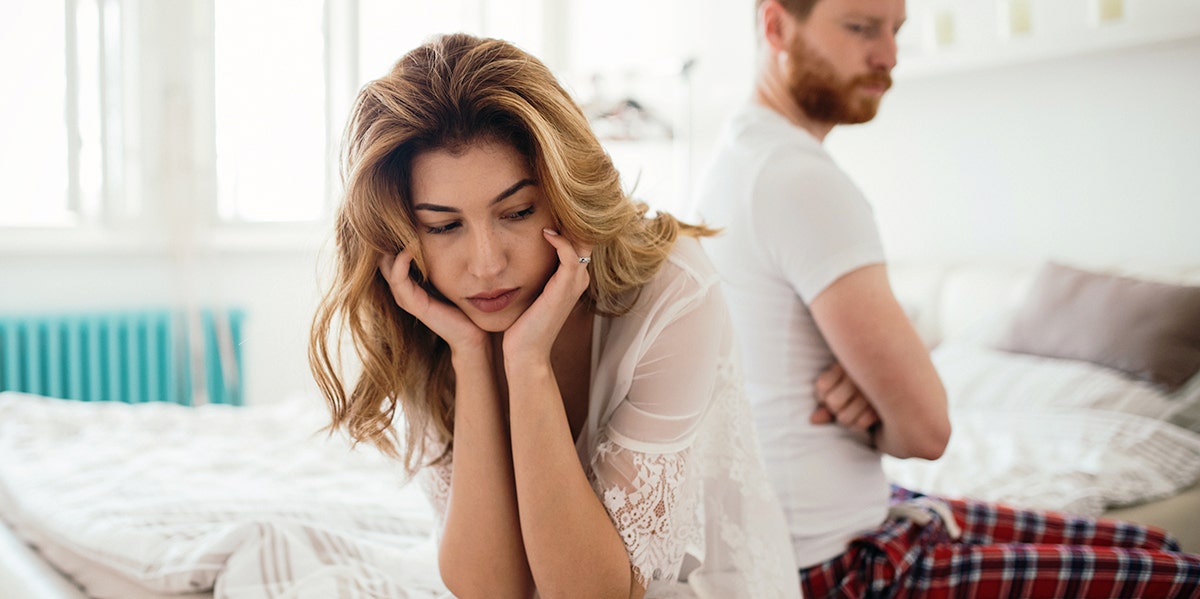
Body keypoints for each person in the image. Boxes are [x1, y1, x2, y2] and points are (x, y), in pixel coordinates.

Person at [692, 0, 1200, 597]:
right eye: (860, 27)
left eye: (896, 30)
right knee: (1182, 578)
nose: (888, 55)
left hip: (839, 521)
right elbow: (927, 432)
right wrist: (895, 405)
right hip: (839, 565)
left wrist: (882, 391)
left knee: (1154, 543)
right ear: (777, 26)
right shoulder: (797, 176)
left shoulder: (736, 159)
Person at [309, 33, 800, 599]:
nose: (488, 265)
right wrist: (471, 357)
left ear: (565, 195)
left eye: (517, 212)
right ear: (404, 233)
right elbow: (493, 589)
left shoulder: (673, 291)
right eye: (444, 227)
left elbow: (593, 594)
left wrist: (526, 362)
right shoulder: (424, 313)